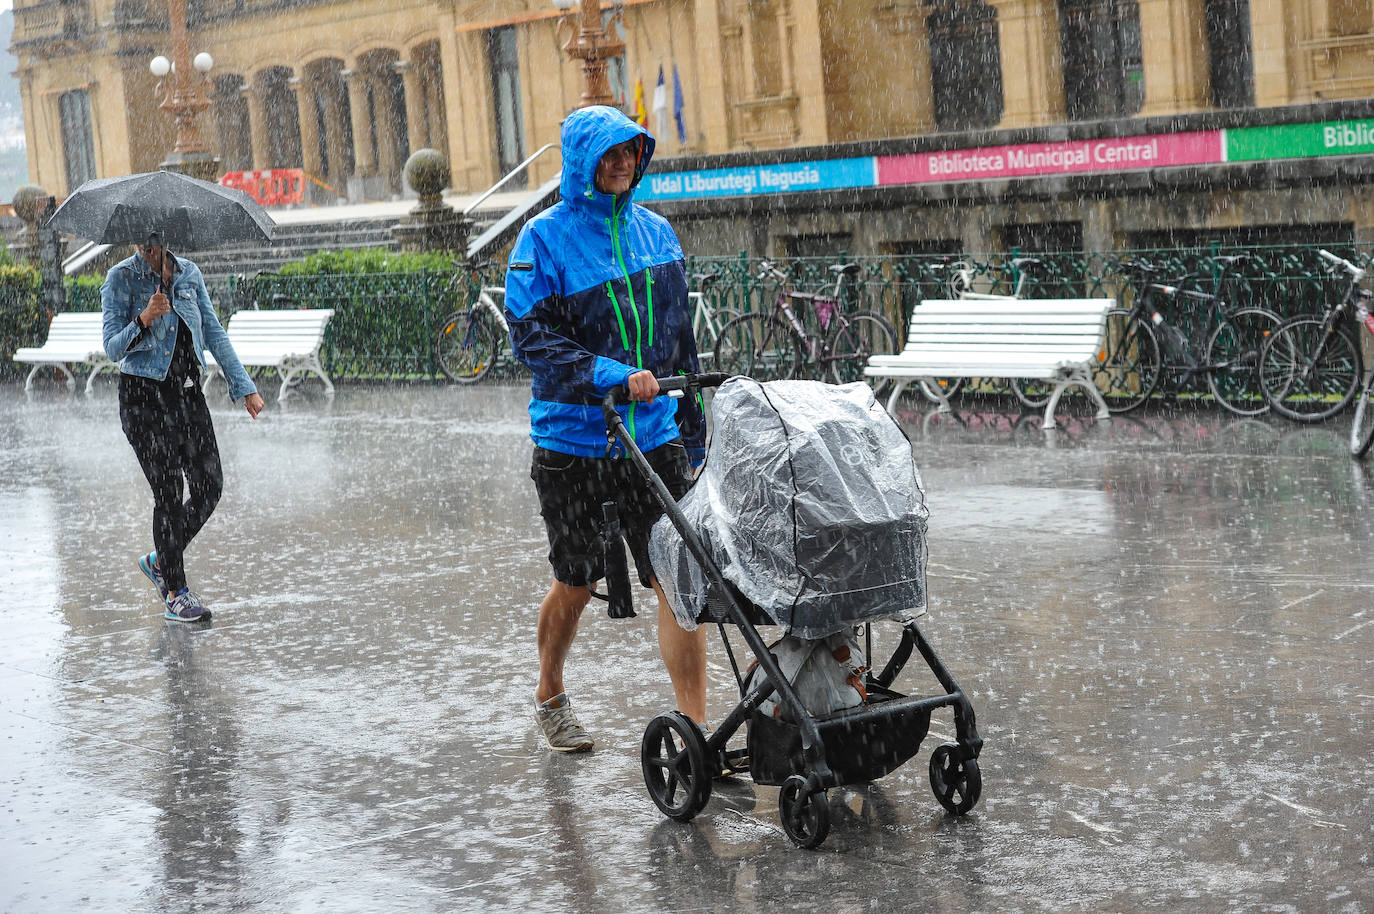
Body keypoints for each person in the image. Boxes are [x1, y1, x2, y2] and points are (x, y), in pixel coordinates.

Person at [505, 105, 707, 752]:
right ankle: (550, 692)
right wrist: (611, 374)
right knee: (575, 581)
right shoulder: (542, 240)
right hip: (572, 443)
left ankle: (696, 732)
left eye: (630, 152)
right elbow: (531, 341)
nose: (622, 164)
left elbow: (679, 341)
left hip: (653, 436)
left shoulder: (658, 233)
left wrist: (695, 429)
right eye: (609, 154)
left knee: (679, 580)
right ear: (581, 162)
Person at [101, 236, 264, 623]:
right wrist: (144, 318)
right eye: (141, 242)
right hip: (142, 401)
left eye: (153, 242)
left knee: (210, 485)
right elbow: (111, 347)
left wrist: (244, 386)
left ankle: (162, 559)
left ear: (166, 238)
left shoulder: (189, 274)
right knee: (169, 492)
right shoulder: (120, 278)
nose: (147, 249)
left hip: (188, 396)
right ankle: (176, 593)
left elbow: (213, 332)